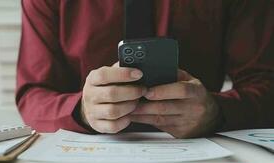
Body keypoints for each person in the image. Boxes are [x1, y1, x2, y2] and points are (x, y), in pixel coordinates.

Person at [16, 0, 274, 138]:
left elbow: (266, 83)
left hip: (206, 147)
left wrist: (216, 113)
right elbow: (33, 95)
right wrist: (82, 111)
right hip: (85, 152)